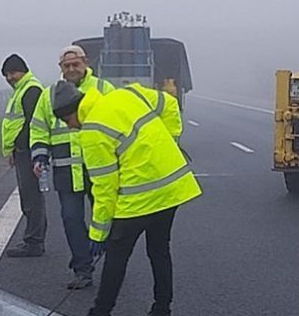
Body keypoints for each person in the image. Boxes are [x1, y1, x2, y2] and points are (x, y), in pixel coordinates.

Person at [52, 81, 202, 316]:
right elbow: (171, 104)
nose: (71, 128)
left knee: (116, 257)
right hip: (171, 188)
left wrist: (98, 234)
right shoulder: (128, 93)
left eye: (67, 122)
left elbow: (104, 188)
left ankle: (101, 311)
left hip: (138, 199)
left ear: (69, 114)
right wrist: (172, 140)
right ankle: (162, 308)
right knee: (159, 249)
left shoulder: (91, 131)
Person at [30, 46, 114, 289]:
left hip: (100, 169)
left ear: (85, 63)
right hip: (66, 170)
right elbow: (38, 128)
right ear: (60, 69)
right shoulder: (49, 95)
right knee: (71, 219)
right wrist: (40, 156)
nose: (71, 69)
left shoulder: (103, 89)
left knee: (107, 217)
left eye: (75, 64)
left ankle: (112, 263)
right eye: (66, 66)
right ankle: (82, 269)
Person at [0, 54, 47, 257]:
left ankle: (34, 242)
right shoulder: (21, 90)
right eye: (6, 75)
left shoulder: (31, 90)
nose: (10, 77)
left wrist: (21, 147)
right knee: (28, 197)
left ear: (23, 70)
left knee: (32, 198)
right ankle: (33, 239)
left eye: (13, 73)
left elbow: (32, 124)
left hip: (28, 151)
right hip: (21, 151)